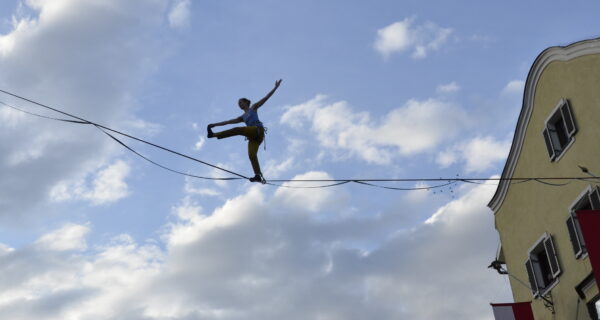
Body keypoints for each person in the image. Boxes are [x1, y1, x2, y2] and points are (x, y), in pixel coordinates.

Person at [207, 79, 282, 183]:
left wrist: (276, 87)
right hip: (253, 137)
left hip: (257, 131)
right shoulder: (242, 117)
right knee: (251, 155)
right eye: (239, 104)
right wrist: (214, 124)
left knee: (238, 130)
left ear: (246, 102)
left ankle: (214, 135)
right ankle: (258, 175)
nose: (240, 105)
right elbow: (228, 122)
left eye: (241, 102)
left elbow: (266, 97)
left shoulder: (253, 107)